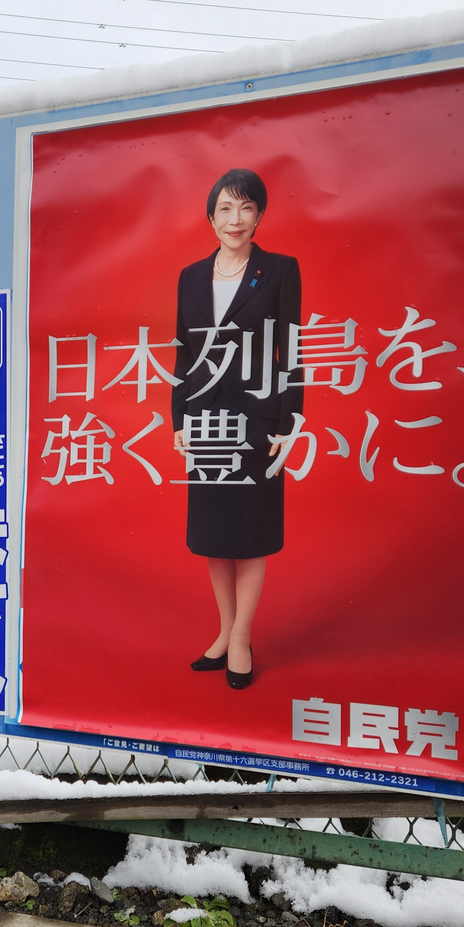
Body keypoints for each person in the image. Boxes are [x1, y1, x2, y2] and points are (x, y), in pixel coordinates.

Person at [171, 169, 302, 691]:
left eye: (246, 207)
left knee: (250, 535)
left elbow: (291, 348)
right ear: (211, 217)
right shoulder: (190, 277)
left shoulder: (280, 270)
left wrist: (289, 421)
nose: (235, 218)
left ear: (260, 215)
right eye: (225, 208)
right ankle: (225, 631)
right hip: (206, 419)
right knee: (214, 535)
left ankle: (243, 637)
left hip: (258, 420)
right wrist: (179, 418)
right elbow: (183, 353)